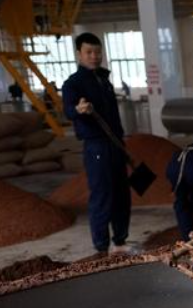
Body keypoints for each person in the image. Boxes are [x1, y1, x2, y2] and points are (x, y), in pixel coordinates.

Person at [62, 32, 132, 255]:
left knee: (122, 194)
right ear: (79, 54)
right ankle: (101, 248)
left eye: (98, 52)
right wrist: (78, 110)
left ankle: (120, 242)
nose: (94, 56)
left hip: (115, 143)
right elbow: (68, 109)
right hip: (96, 146)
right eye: (89, 52)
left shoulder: (104, 80)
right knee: (102, 195)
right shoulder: (73, 83)